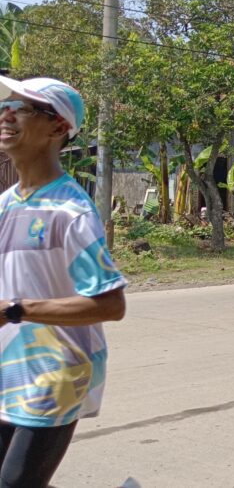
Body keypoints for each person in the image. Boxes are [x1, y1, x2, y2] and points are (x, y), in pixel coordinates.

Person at [0, 76, 127, 487]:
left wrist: (16, 310)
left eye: (22, 108)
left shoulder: (70, 212)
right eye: (6, 106)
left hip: (60, 369)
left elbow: (110, 305)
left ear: (57, 127)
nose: (7, 114)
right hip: (11, 365)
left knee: (16, 483)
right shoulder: (5, 204)